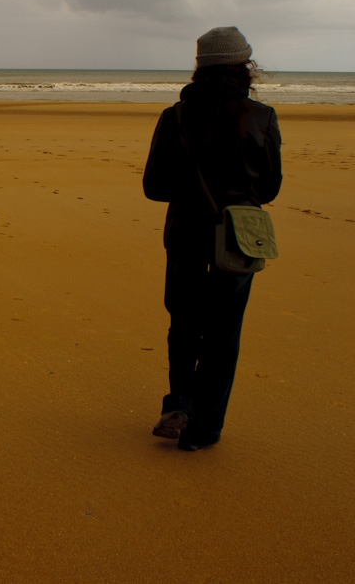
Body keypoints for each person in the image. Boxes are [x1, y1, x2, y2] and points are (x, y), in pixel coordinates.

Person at [143, 26, 282, 451]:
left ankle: (179, 404)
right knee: (224, 332)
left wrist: (191, 192)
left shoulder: (175, 116)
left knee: (184, 321)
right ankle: (204, 431)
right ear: (244, 65)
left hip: (186, 231)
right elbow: (270, 188)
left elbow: (154, 186)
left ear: (199, 68)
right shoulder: (261, 117)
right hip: (239, 237)